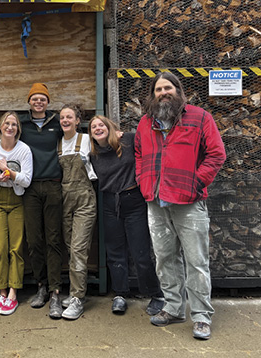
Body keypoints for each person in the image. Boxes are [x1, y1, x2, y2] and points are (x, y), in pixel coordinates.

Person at [135, 72, 226, 340]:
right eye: (158, 89)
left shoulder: (199, 117)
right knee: (165, 258)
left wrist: (197, 182)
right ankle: (174, 308)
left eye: (168, 87)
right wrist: (143, 181)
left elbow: (217, 153)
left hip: (189, 201)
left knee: (196, 261)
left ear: (178, 90)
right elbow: (139, 154)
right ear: (152, 95)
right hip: (156, 200)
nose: (163, 92)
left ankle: (201, 316)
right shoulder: (145, 123)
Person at [89, 115, 164, 317]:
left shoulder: (129, 140)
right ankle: (120, 294)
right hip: (108, 201)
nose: (97, 128)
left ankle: (155, 294)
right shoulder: (92, 153)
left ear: (110, 126)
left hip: (133, 200)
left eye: (101, 125)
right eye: (93, 127)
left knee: (140, 251)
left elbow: (151, 142)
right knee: (114, 251)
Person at [19, 83, 64, 319]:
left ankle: (56, 291)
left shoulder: (57, 123)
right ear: (29, 102)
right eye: (35, 99)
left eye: (43, 99)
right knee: (34, 239)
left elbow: (77, 131)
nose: (39, 102)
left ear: (47, 102)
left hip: (53, 184)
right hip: (30, 187)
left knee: (54, 238)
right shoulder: (21, 124)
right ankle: (41, 286)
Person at [0, 111, 33, 316]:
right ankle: (1, 291)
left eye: (14, 124)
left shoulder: (24, 150)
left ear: (18, 129)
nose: (10, 127)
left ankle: (13, 292)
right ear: (0, 126)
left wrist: (10, 173)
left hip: (17, 202)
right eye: (7, 123)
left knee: (15, 247)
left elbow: (26, 179)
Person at [57, 104, 97, 320]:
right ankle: (76, 290)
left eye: (69, 117)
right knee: (70, 247)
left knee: (79, 249)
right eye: (62, 117)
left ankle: (77, 298)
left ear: (77, 120)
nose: (65, 120)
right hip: (64, 199)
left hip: (84, 199)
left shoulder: (87, 139)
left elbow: (109, 146)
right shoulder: (58, 142)